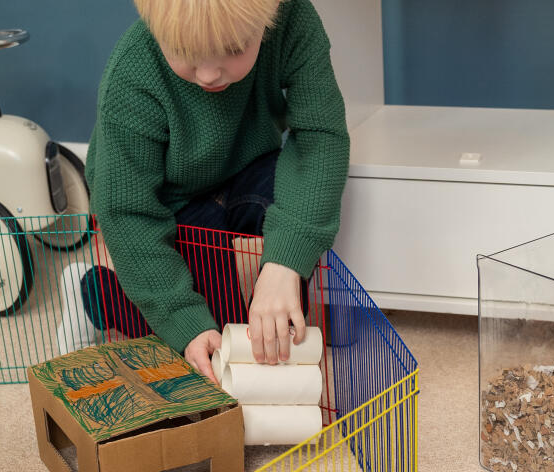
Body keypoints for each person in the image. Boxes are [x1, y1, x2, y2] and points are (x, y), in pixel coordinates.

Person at [57, 0, 349, 384]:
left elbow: (319, 138)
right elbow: (128, 213)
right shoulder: (132, 72)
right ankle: (94, 293)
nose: (209, 75)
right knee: (213, 335)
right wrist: (184, 320)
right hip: (171, 203)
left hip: (248, 167)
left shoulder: (294, 18)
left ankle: (280, 324)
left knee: (298, 217)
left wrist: (284, 267)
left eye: (232, 50)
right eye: (185, 53)